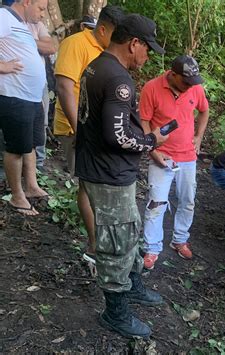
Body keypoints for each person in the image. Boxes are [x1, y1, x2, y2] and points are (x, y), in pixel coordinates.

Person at [75, 13, 167, 339]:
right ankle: (115, 311)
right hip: (109, 174)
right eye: (147, 50)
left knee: (128, 233)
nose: (148, 57)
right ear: (134, 44)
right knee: (117, 241)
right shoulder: (119, 80)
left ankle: (134, 285)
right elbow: (117, 136)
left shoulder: (96, 64)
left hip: (95, 166)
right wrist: (150, 141)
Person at [53, 5, 124, 262]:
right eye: (116, 35)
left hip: (94, 129)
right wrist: (80, 130)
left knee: (95, 183)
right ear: (103, 29)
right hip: (75, 128)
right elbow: (63, 86)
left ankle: (101, 243)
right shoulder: (76, 44)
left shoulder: (104, 50)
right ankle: (95, 245)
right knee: (87, 184)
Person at [139, 55, 210, 269]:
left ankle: (180, 238)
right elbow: (143, 122)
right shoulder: (152, 88)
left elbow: (204, 110)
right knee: (156, 203)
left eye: (193, 82)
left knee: (187, 200)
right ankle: (151, 247)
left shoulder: (194, 88)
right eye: (185, 82)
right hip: (162, 154)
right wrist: (152, 150)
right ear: (173, 74)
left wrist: (198, 136)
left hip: (188, 156)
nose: (190, 86)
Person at [0, 0, 49, 216]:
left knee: (30, 143)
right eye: (40, 8)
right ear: (27, 1)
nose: (42, 14)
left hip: (31, 96)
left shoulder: (21, 24)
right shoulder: (4, 16)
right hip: (14, 95)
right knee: (16, 147)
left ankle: (31, 185)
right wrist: (2, 66)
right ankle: (17, 196)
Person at [27, 19, 57, 172]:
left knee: (41, 123)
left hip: (39, 83)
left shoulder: (36, 25)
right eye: (39, 8)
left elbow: (50, 47)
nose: (40, 14)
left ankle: (38, 165)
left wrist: (24, 40)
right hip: (12, 83)